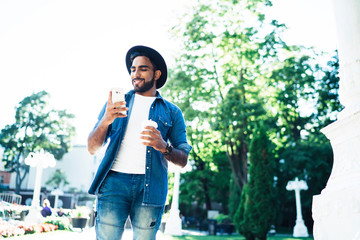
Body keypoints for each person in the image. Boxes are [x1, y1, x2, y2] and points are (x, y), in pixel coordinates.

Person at [87, 45, 192, 240]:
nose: (136, 74)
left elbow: (183, 159)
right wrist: (105, 121)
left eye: (143, 68)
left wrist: (164, 146)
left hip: (150, 186)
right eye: (133, 69)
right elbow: (92, 148)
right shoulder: (116, 105)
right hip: (113, 184)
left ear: (157, 74)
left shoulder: (172, 112)